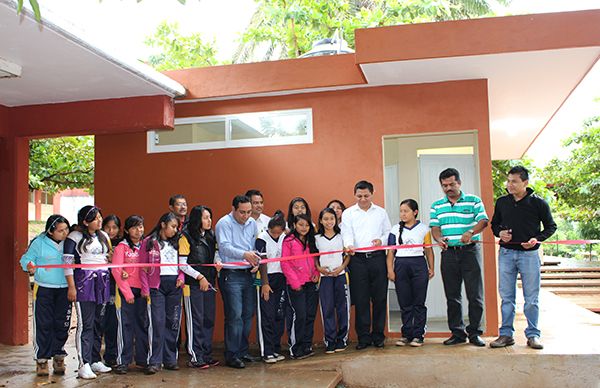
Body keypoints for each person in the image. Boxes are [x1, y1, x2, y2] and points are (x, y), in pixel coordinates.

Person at [490, 166, 557, 350]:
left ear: (525, 183)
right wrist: (500, 233)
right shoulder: (502, 202)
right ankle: (505, 335)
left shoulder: (539, 203)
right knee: (506, 296)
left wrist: (537, 239)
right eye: (508, 180)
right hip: (506, 254)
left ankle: (533, 335)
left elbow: (551, 227)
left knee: (531, 297)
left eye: (514, 181)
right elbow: (494, 225)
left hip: (529, 255)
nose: (509, 185)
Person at [430, 168, 489, 347]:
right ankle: (457, 333)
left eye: (452, 184)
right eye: (444, 185)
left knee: (475, 294)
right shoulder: (437, 205)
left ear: (459, 183)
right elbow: (435, 227)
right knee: (452, 296)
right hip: (448, 253)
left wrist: (471, 232)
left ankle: (474, 333)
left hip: (470, 252)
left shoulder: (474, 201)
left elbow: (483, 221)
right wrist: (438, 239)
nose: (448, 188)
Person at [63, 206, 113, 379]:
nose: (100, 220)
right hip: (84, 283)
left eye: (100, 217)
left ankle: (94, 359)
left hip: (102, 282)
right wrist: (71, 286)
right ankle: (83, 363)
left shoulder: (104, 236)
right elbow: (68, 264)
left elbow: (109, 257)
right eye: (95, 218)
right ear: (85, 221)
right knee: (86, 324)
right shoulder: (74, 237)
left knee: (99, 321)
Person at [341, 180, 391, 349]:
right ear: (355, 195)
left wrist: (381, 240)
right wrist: (348, 245)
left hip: (378, 258)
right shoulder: (348, 213)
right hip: (357, 260)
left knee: (379, 298)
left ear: (372, 193)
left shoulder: (381, 212)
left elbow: (388, 232)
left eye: (366, 196)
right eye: (359, 196)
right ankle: (363, 337)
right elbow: (346, 233)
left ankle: (378, 336)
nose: (363, 199)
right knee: (361, 299)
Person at [20, 215, 71, 376]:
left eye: (66, 230)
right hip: (44, 289)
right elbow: (25, 260)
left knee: (62, 323)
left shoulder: (69, 243)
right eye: (60, 231)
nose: (64, 233)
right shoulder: (39, 243)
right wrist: (30, 266)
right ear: (50, 231)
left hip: (64, 289)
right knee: (43, 323)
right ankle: (42, 359)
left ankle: (59, 356)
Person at [215, 195, 261, 369]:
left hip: (248, 273)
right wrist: (245, 255)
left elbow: (253, 246)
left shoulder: (252, 224)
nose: (246, 216)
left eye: (249, 212)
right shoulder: (223, 223)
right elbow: (225, 247)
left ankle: (242, 350)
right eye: (242, 212)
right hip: (231, 274)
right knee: (235, 315)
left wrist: (255, 261)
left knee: (248, 314)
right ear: (233, 209)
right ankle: (232, 355)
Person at [139, 212, 184, 375]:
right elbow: (142, 268)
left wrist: (181, 276)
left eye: (177, 227)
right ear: (163, 224)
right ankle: (154, 361)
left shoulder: (178, 242)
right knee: (157, 322)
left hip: (174, 286)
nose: (175, 230)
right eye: (172, 226)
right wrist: (145, 288)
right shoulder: (149, 242)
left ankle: (170, 359)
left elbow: (183, 264)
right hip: (156, 286)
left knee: (173, 322)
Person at [386, 199, 434, 347]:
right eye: (401, 211)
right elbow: (390, 252)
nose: (403, 214)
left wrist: (431, 267)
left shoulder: (424, 229)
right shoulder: (395, 230)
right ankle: (406, 334)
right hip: (401, 265)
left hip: (418, 265)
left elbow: (428, 250)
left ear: (415, 212)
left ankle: (418, 335)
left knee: (419, 302)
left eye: (406, 211)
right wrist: (390, 270)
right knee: (405, 302)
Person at [179, 206, 220, 368]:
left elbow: (216, 252)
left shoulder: (210, 235)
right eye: (205, 218)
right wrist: (200, 277)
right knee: (195, 320)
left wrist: (217, 262)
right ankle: (195, 356)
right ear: (197, 219)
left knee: (208, 319)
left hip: (209, 282)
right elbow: (182, 265)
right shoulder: (186, 236)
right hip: (193, 285)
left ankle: (206, 354)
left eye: (210, 217)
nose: (209, 221)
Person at [111, 215, 148, 374]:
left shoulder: (146, 245)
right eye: (134, 227)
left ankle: (142, 359)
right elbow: (116, 270)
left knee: (142, 325)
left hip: (143, 291)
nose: (138, 230)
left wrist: (146, 290)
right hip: (126, 292)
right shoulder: (121, 247)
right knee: (125, 326)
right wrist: (126, 292)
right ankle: (123, 361)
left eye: (140, 227)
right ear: (126, 230)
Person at [281, 214, 320, 359]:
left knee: (310, 315)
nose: (304, 228)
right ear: (295, 225)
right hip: (296, 285)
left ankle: (306, 346)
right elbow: (285, 263)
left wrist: (316, 273)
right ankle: (295, 348)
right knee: (300, 315)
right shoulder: (288, 241)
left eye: (307, 225)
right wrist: (295, 283)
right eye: (301, 224)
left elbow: (315, 259)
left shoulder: (311, 240)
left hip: (311, 283)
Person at [315, 208, 350, 354]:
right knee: (327, 308)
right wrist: (319, 269)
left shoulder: (342, 236)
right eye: (326, 219)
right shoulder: (316, 238)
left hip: (340, 275)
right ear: (321, 221)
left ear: (336, 220)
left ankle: (342, 339)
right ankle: (330, 340)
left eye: (332, 219)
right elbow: (314, 257)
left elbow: (348, 255)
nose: (329, 222)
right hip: (324, 278)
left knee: (342, 308)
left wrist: (341, 267)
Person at [256, 211, 287, 363]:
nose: (275, 234)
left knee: (278, 315)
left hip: (281, 278)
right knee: (267, 316)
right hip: (267, 279)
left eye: (278, 232)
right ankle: (266, 351)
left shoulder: (284, 237)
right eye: (273, 232)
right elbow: (262, 262)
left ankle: (275, 348)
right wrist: (265, 284)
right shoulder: (262, 238)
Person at [101, 214, 122, 368]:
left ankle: (112, 355)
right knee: (101, 321)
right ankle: (96, 356)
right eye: (107, 227)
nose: (111, 231)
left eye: (114, 227)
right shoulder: (97, 243)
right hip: (99, 286)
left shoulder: (122, 244)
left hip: (116, 287)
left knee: (113, 322)